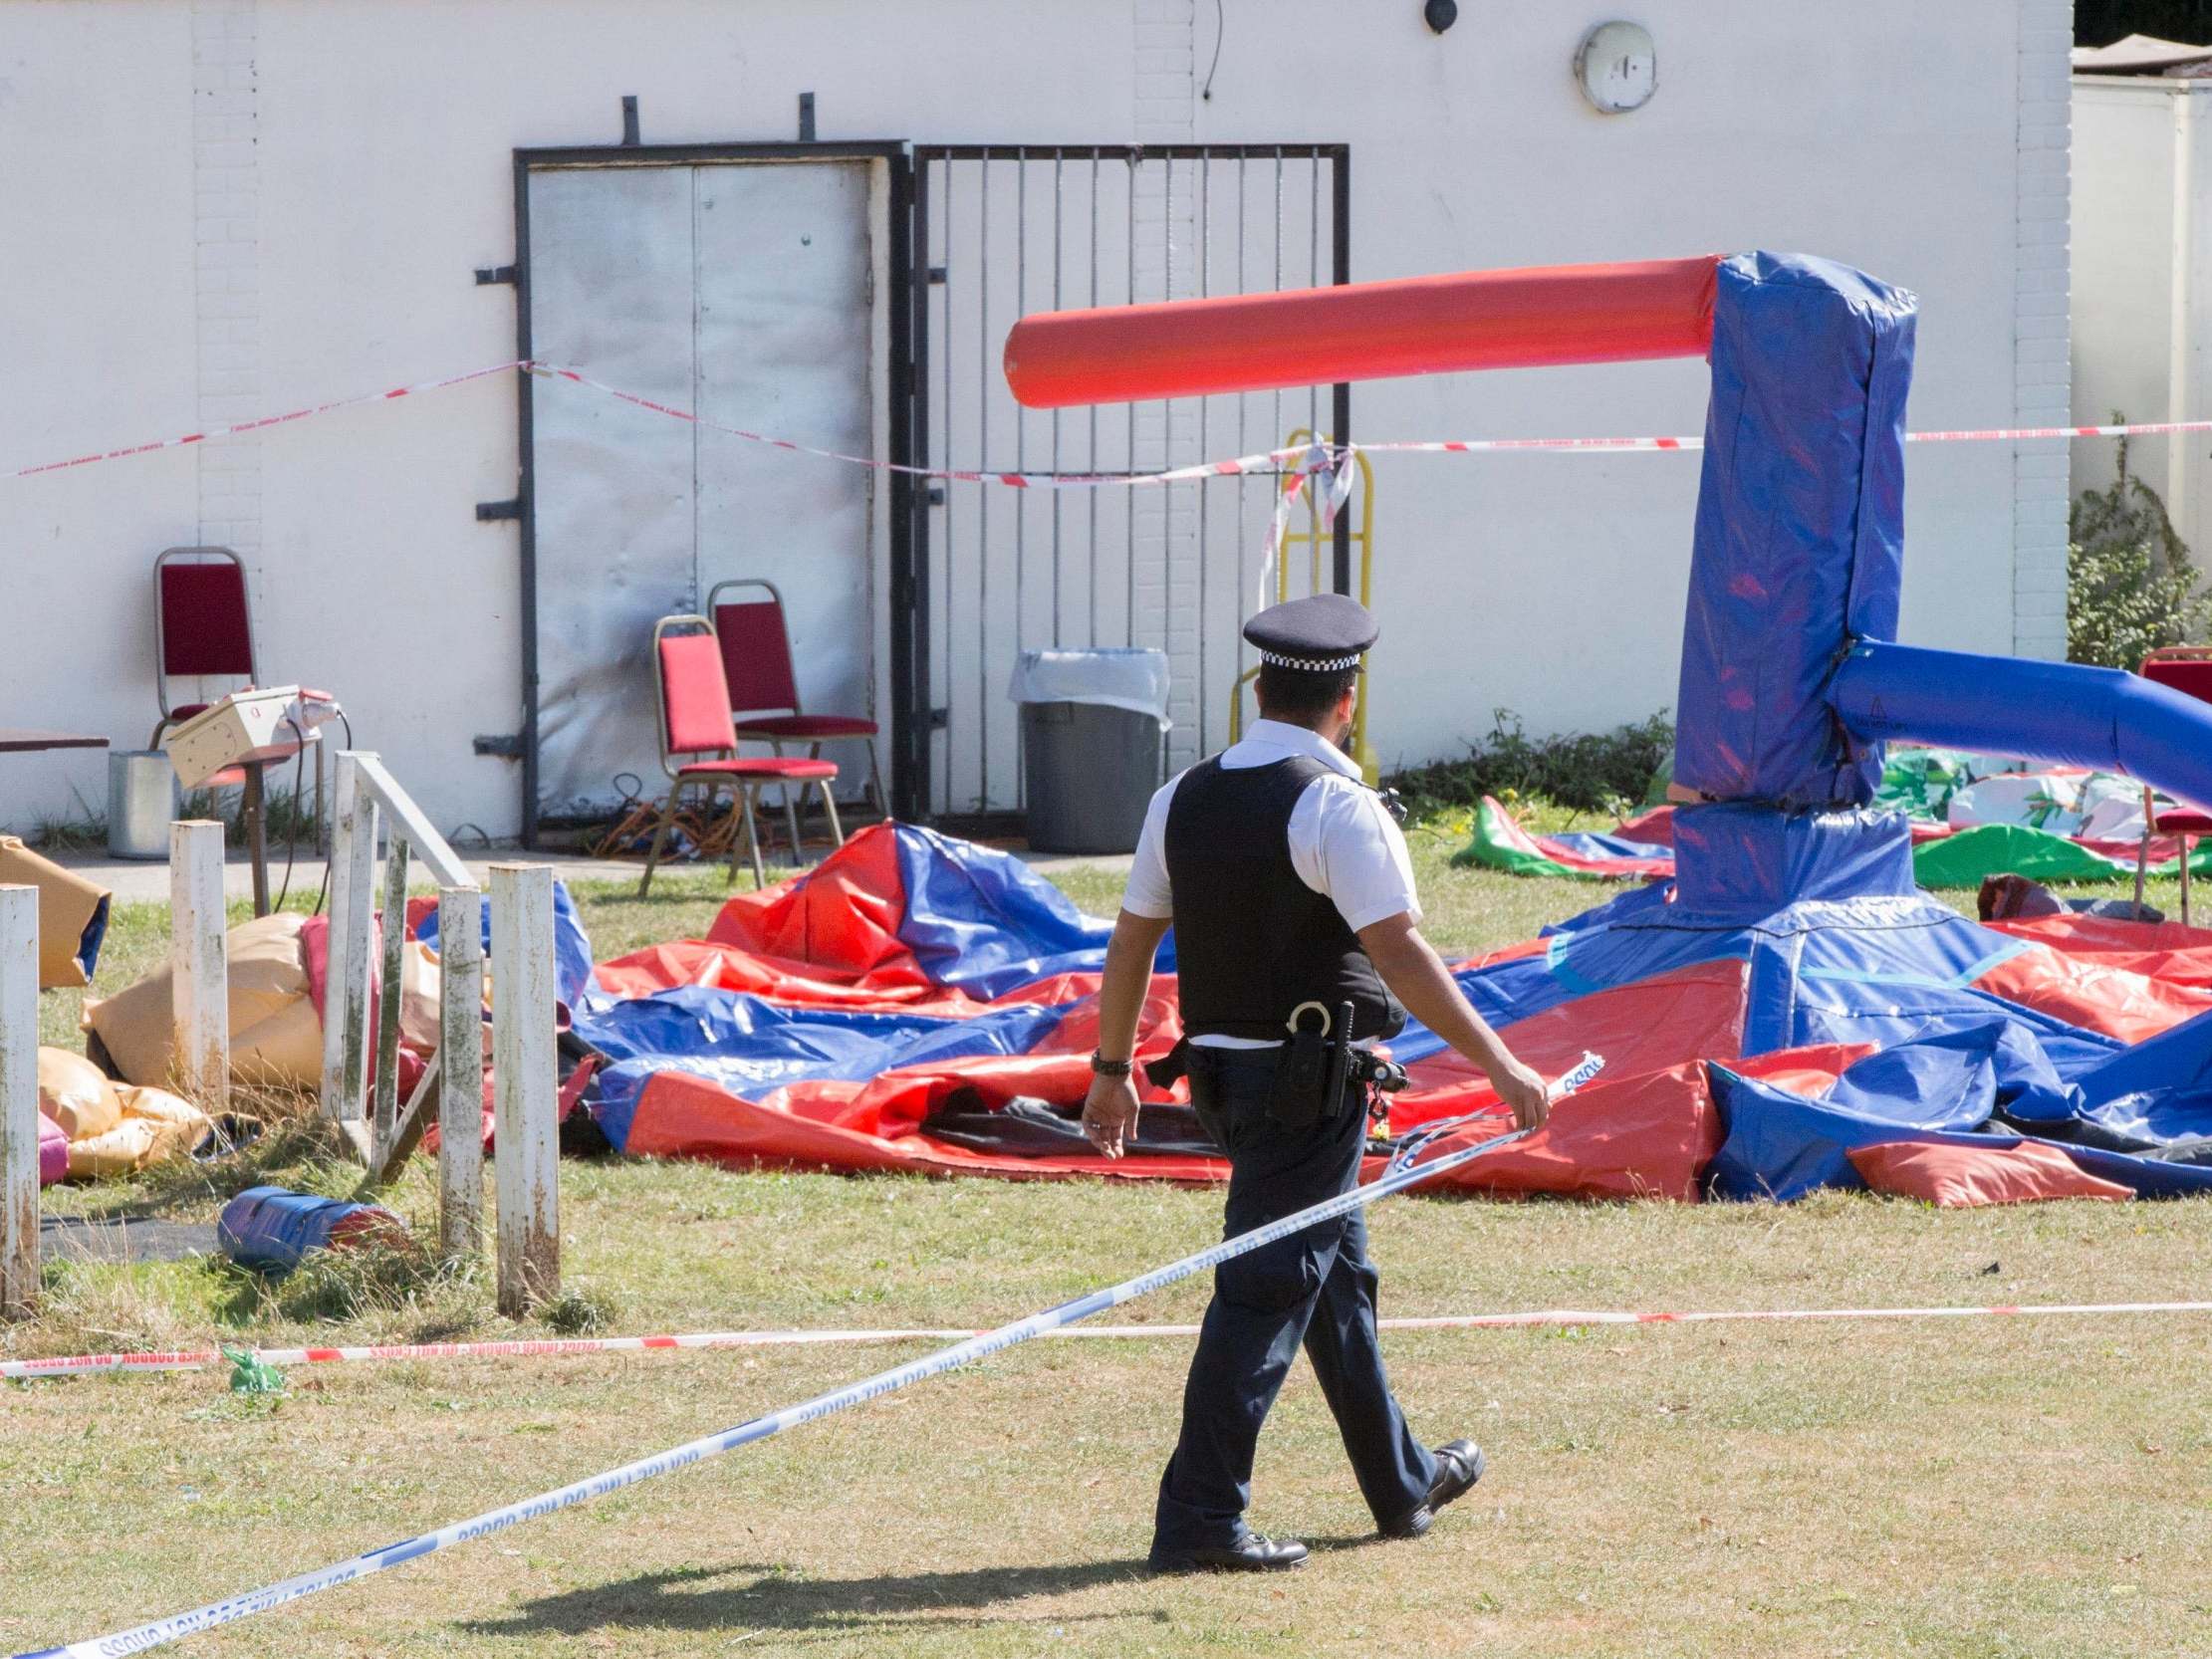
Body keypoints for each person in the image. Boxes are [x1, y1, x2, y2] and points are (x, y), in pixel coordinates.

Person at [1079, 592, 1552, 1574]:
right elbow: (1402, 954)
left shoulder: (1184, 796)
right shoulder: (1337, 805)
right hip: (1306, 1094)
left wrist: (1112, 1070)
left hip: (1225, 1086)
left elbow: (1131, 940)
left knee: (1336, 1282)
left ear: (1259, 689)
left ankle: (1401, 1483)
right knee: (1263, 1293)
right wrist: (1502, 1065)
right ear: (1348, 700)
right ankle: (1201, 1516)